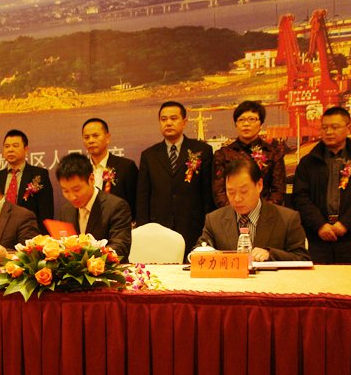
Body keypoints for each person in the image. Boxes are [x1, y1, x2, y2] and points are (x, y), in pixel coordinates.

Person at [292, 107, 351, 264]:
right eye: (324, 127)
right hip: (317, 237)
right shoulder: (308, 162)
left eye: (335, 127)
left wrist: (346, 223)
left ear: (348, 128)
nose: (329, 132)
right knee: (317, 279)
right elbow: (300, 197)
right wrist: (320, 225)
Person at [137, 101, 215, 259]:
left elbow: (207, 194)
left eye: (173, 118)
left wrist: (208, 228)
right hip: (158, 227)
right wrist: (143, 229)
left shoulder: (202, 151)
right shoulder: (149, 155)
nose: (168, 123)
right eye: (163, 119)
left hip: (193, 225)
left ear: (184, 122)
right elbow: (143, 197)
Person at [197, 157, 310, 262]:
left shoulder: (287, 219)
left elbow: (302, 258)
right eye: (231, 192)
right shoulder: (214, 220)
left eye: (244, 191)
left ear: (259, 185)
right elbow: (197, 253)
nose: (237, 199)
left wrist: (270, 255)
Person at [56, 153, 132, 260]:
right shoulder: (65, 211)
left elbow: (120, 247)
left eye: (77, 190)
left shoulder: (116, 207)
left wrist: (93, 261)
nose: (72, 197)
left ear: (91, 179)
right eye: (66, 191)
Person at [212, 100, 286, 207]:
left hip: (265, 212)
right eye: (241, 120)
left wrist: (260, 212)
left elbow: (278, 191)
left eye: (252, 119)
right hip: (233, 212)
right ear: (236, 124)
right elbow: (219, 192)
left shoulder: (273, 154)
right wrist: (235, 212)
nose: (246, 124)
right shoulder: (223, 154)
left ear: (261, 124)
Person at [0, 130, 54, 234]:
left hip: (29, 233)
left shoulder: (39, 175)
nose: (10, 150)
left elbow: (46, 212)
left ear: (26, 150)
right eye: (7, 146)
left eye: (15, 146)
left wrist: (41, 238)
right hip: (1, 234)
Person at [81, 118, 139, 219]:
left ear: (107, 138)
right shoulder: (80, 169)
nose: (91, 141)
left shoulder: (125, 167)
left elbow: (135, 204)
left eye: (95, 135)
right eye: (86, 137)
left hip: (118, 224)